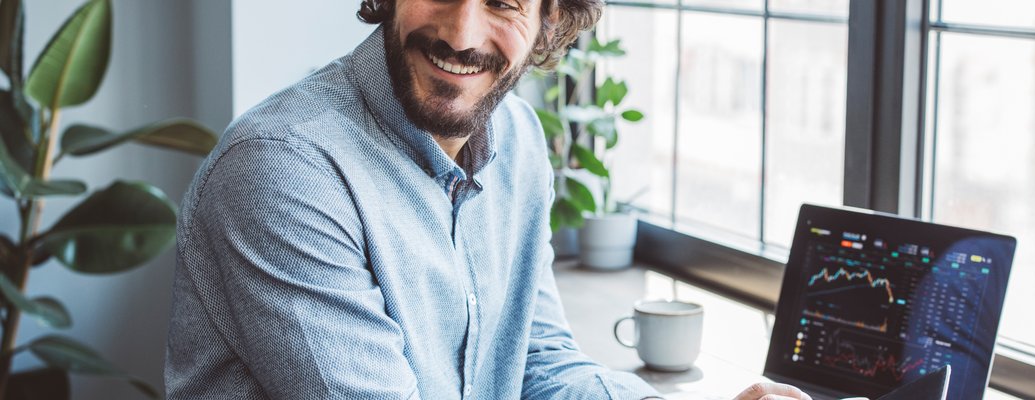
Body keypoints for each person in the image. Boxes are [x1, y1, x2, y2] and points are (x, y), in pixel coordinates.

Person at [164, 0, 811, 399]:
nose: (462, 33)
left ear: (548, 18)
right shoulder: (284, 170)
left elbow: (535, 358)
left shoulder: (520, 142)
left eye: (503, 1)